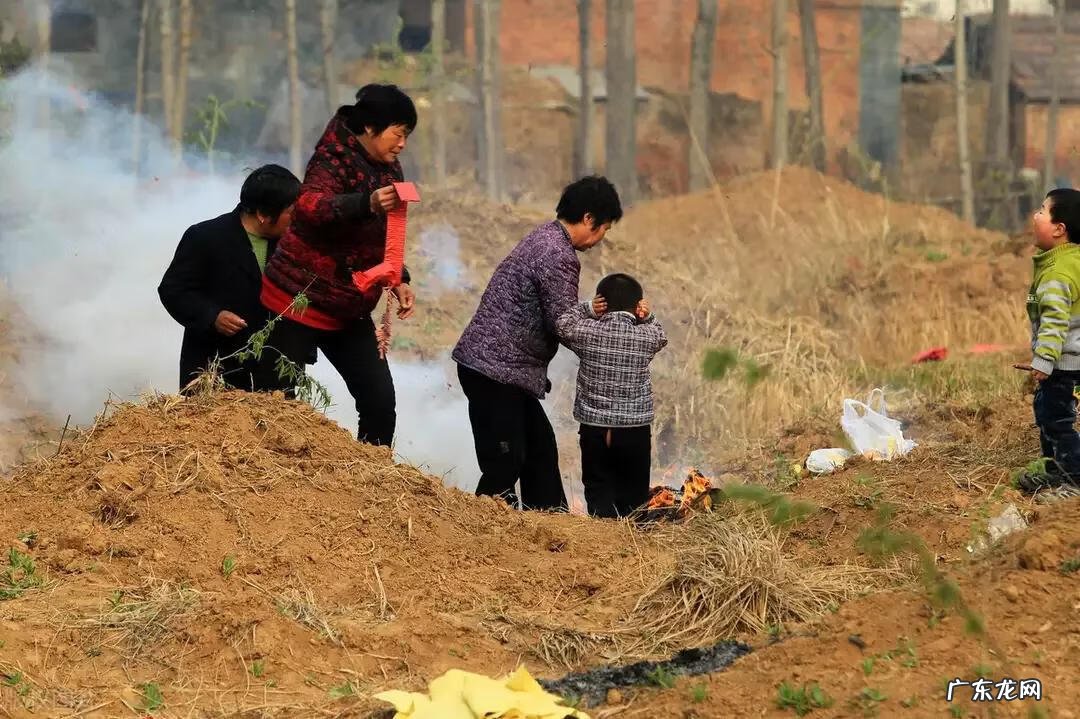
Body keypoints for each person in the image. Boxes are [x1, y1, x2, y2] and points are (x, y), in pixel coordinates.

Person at [260, 84, 418, 447]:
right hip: (299, 296)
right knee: (278, 401)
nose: (402, 144)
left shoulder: (390, 168)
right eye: (398, 133)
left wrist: (398, 278)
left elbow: (385, 233)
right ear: (369, 128)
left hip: (349, 303)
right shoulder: (332, 158)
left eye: (406, 135)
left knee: (380, 402)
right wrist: (365, 203)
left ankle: (372, 475)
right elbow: (310, 206)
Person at [453, 176, 623, 511]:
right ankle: (480, 533)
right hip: (495, 370)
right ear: (589, 219)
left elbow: (556, 308)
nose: (600, 238)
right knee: (506, 461)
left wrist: (589, 311)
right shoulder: (559, 255)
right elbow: (562, 323)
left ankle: (550, 525)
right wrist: (613, 345)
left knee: (540, 450)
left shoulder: (545, 237)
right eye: (603, 229)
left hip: (501, 370)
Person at [158, 164, 301, 393]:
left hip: (274, 375)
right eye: (291, 213)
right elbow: (173, 290)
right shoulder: (205, 237)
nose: (297, 220)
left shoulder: (295, 246)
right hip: (214, 370)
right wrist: (212, 315)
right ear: (263, 215)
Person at [555, 274, 667, 518]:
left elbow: (562, 324)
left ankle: (601, 542)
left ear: (601, 303)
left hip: (594, 427)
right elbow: (661, 335)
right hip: (633, 429)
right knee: (634, 496)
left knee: (598, 488)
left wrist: (587, 308)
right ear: (637, 306)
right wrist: (647, 316)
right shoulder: (645, 336)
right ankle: (631, 545)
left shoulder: (588, 331)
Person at [1014, 188, 1080, 501]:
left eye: (1043, 209)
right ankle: (1055, 471)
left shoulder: (1058, 271)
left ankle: (1074, 482)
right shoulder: (1070, 260)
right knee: (1051, 417)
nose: (1035, 215)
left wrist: (1044, 360)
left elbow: (1055, 321)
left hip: (1065, 365)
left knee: (1059, 422)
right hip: (1070, 362)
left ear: (1059, 228)